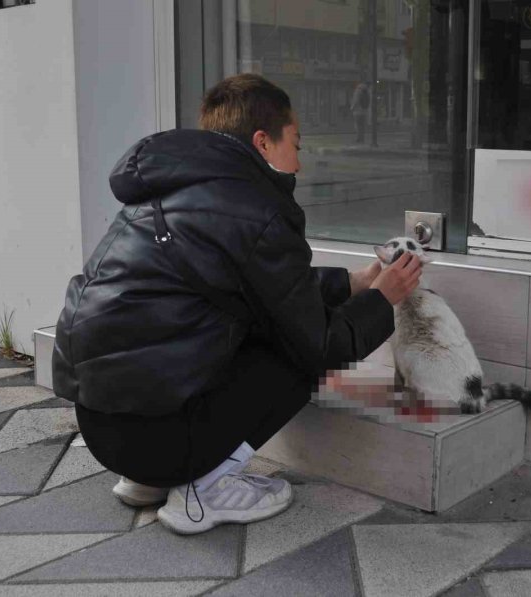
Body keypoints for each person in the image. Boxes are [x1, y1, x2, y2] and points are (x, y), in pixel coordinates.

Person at [52, 73, 421, 535]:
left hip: (103, 427)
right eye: (297, 145)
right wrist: (384, 298)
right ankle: (202, 491)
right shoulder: (255, 208)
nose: (299, 163)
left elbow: (258, 284)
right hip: (155, 437)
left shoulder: (176, 189)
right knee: (296, 353)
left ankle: (150, 480)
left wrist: (354, 283)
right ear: (263, 142)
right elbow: (319, 343)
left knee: (265, 328)